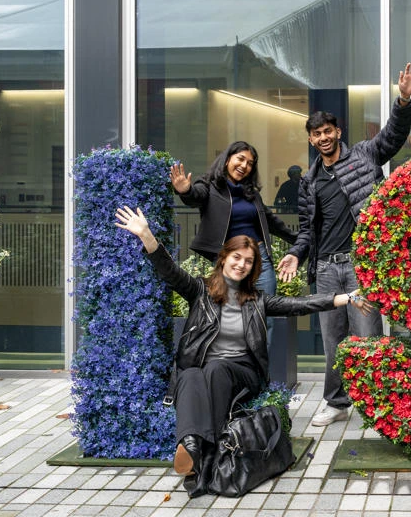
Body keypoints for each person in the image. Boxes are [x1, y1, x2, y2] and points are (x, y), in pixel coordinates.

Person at [114, 205, 371, 496]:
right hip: (207, 374)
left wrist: (345, 298)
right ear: (224, 258)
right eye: (237, 257)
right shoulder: (200, 291)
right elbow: (169, 271)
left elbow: (298, 305)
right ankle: (194, 447)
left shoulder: (258, 300)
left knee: (214, 368)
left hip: (243, 373)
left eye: (248, 261)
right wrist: (146, 235)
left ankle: (198, 459)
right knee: (188, 374)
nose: (241, 264)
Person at [277, 62, 411, 427]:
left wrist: (403, 101)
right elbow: (307, 231)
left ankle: (376, 405)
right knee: (333, 341)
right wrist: (295, 254)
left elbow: (392, 136)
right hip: (326, 269)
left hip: (360, 266)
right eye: (317, 134)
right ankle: (336, 402)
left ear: (337, 132)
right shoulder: (309, 182)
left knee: (368, 335)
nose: (323, 138)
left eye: (328, 131)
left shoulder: (363, 155)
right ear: (311, 140)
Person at [169, 141, 295, 297]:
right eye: (240, 159)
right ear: (227, 159)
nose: (244, 165)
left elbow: (273, 223)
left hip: (258, 257)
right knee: (232, 306)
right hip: (229, 259)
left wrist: (302, 242)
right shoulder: (209, 186)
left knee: (265, 306)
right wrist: (186, 191)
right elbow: (196, 196)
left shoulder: (252, 194)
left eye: (250, 163)